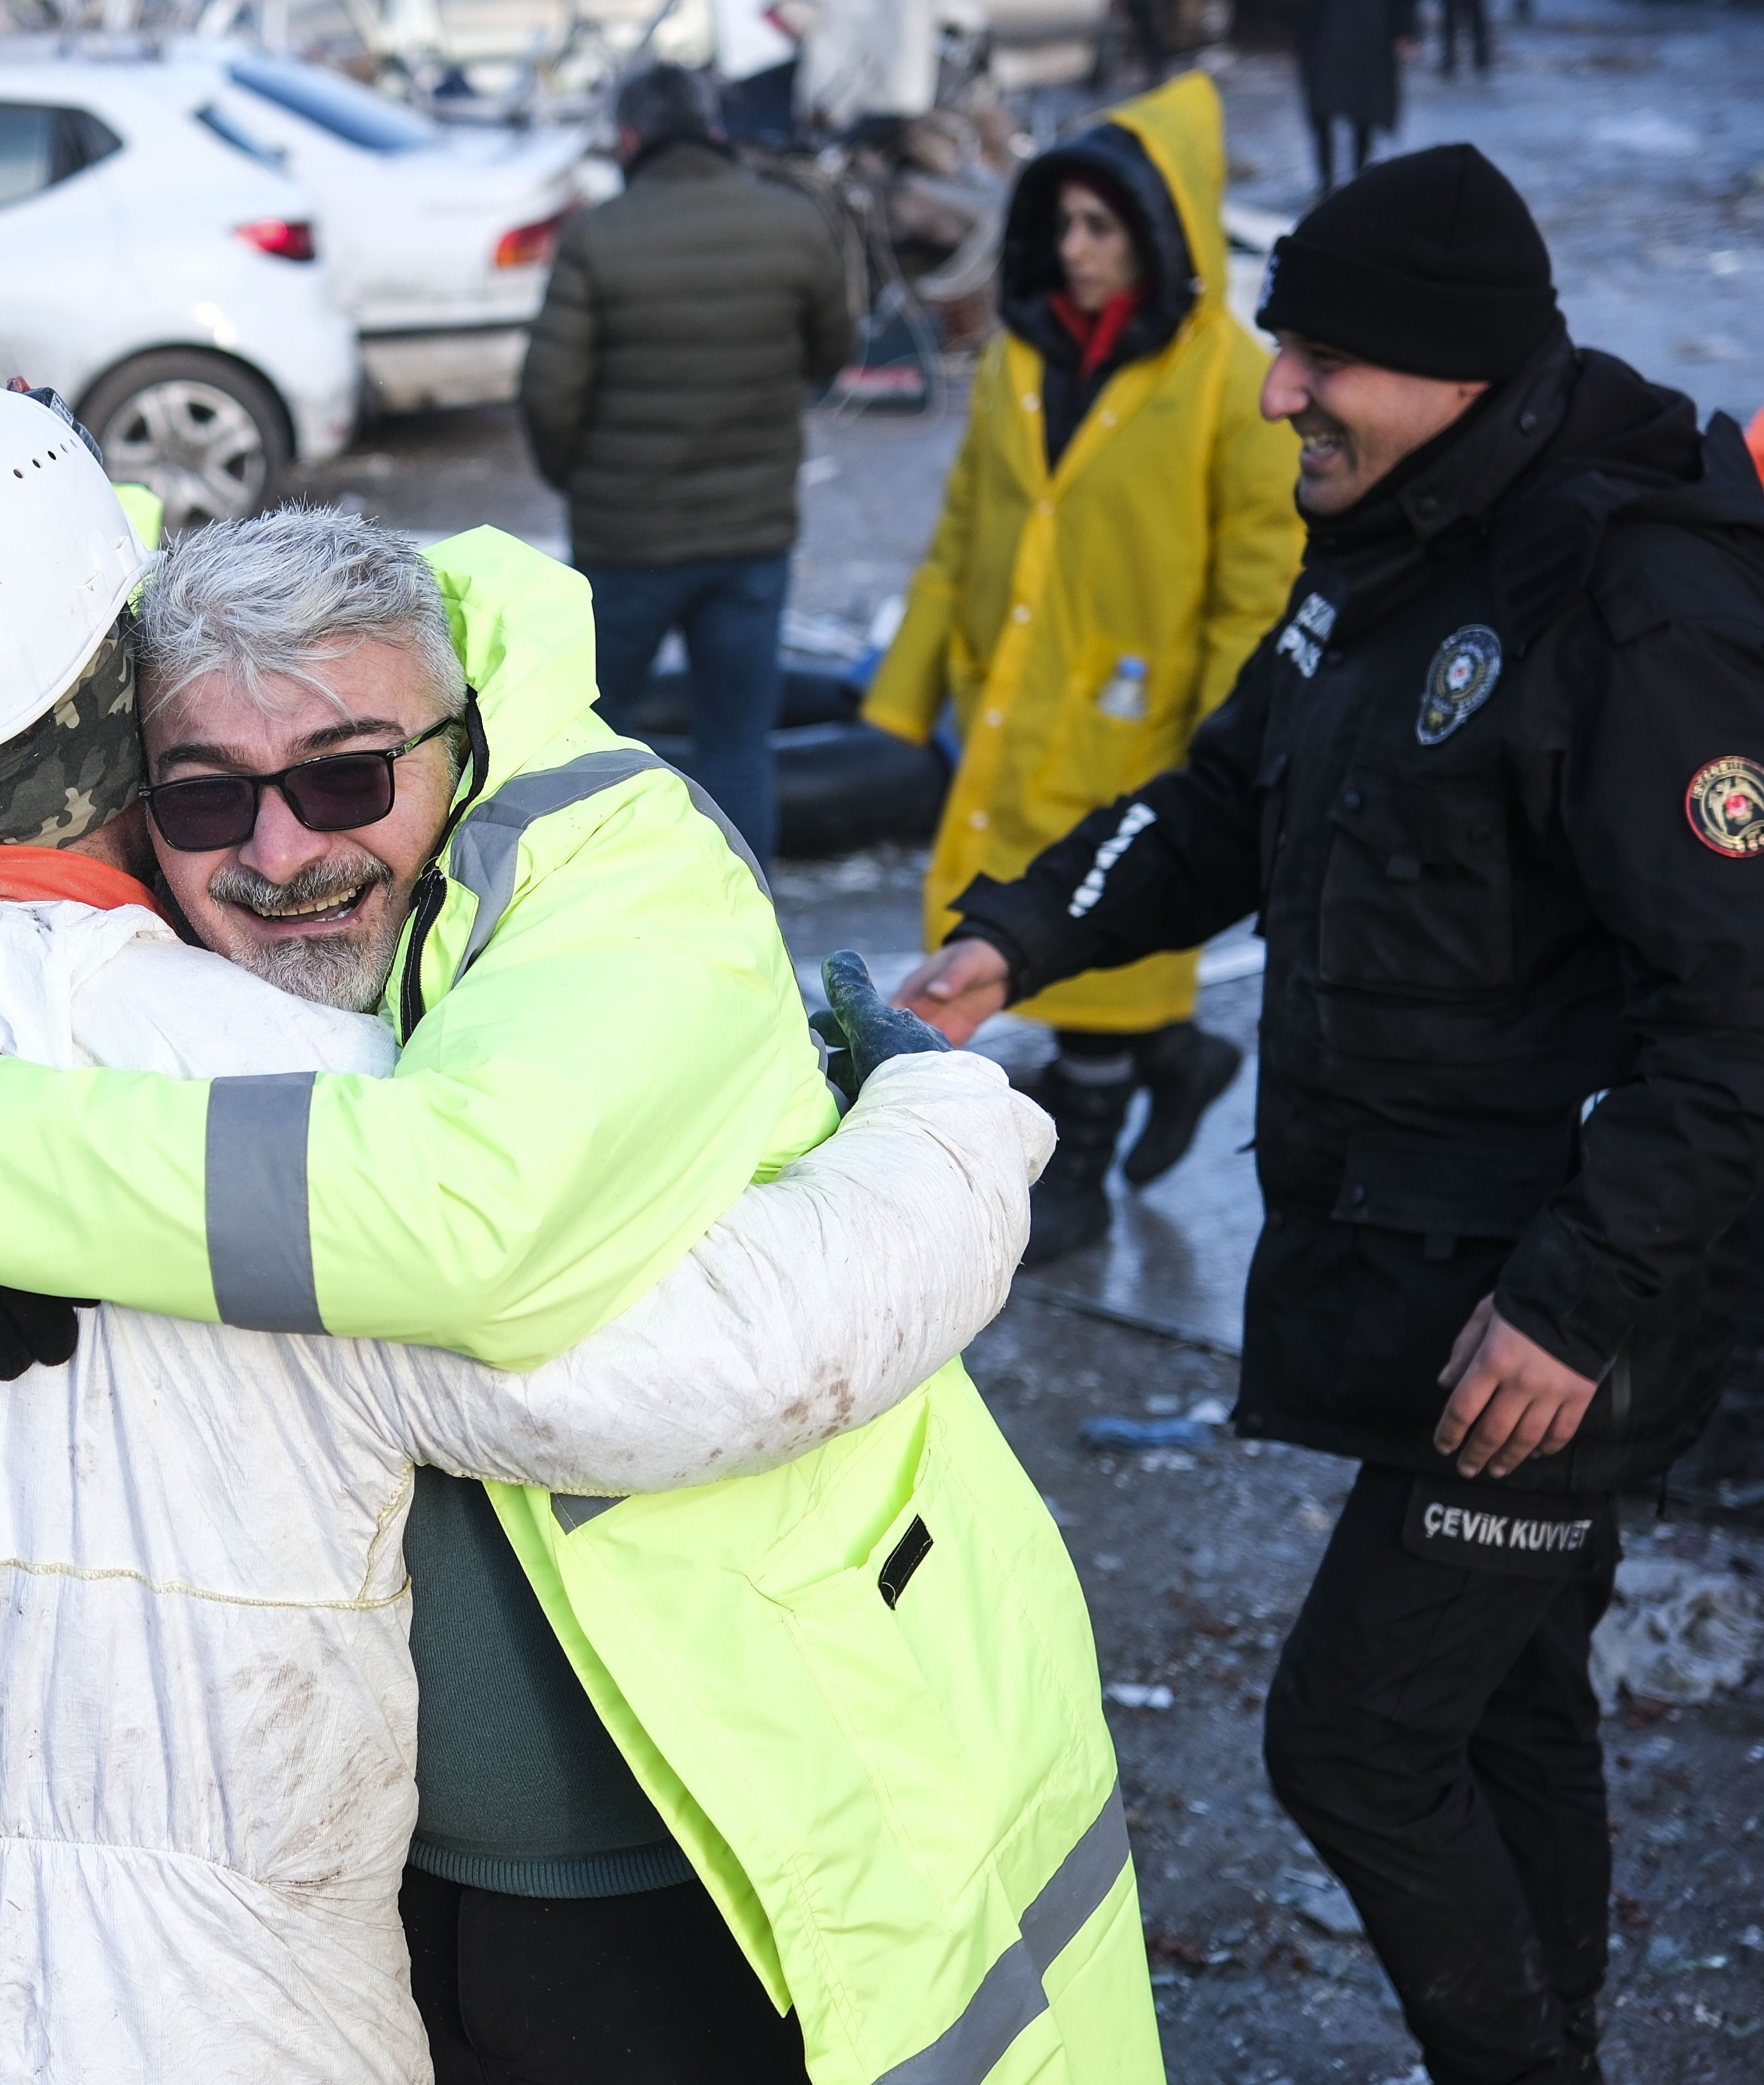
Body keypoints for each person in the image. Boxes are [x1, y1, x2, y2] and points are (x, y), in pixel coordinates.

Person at [0, 436, 1160, 2073]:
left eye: (349, 777)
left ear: (461, 747)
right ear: (112, 765)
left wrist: (951, 1131)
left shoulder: (551, 944)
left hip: (669, 1848)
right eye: (206, 795)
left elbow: (594, 1286)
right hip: (346, 1911)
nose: (283, 852)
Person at [892, 145, 1764, 2084]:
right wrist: (1012, 941)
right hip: (1417, 1259)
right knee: (1504, 1701)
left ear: (1453, 371)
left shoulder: (1633, 603)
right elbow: (1225, 796)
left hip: (1551, 1308)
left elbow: (1736, 1012)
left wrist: (1572, 1304)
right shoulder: (1395, 539)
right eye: (1285, 344)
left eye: (1322, 358)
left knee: (1350, 1738)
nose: (1279, 390)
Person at [863, 73, 1301, 1262]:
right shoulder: (1024, 358)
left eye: (1100, 226)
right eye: (1060, 224)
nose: (1074, 249)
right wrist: (904, 694)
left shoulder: (1225, 382)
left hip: (1137, 719)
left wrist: (1214, 743)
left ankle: (1083, 1157)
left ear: (1161, 232)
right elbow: (964, 529)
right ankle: (1178, 1054)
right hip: (1009, 699)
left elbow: (1253, 587)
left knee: (1097, 953)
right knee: (1029, 928)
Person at [515, 60, 854, 863]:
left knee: (591, 734)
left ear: (629, 138)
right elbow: (834, 351)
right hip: (752, 539)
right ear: (714, 128)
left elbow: (548, 395)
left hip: (627, 541)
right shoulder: (791, 222)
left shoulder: (600, 236)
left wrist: (582, 482)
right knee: (738, 743)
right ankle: (749, 919)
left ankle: (597, 897)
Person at [1297, 0, 1420, 192]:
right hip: (1328, 26)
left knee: (1362, 106)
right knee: (1326, 105)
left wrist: (1405, 28)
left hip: (1365, 27)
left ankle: (1354, 179)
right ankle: (1330, 181)